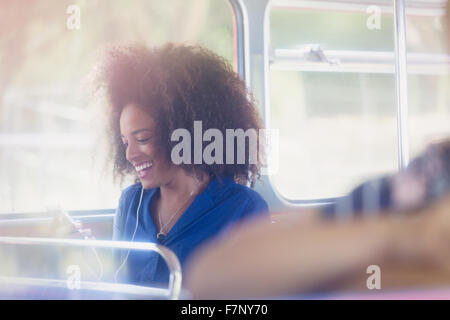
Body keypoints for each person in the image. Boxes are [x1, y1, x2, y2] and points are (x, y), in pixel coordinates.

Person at [183, 4, 450, 298]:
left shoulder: (241, 201)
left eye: (142, 138)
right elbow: (212, 277)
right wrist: (404, 236)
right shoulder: (420, 183)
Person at [93, 43, 269, 285]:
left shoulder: (243, 208)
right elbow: (117, 286)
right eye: (125, 142)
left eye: (142, 139)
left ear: (182, 132)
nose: (130, 154)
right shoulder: (130, 203)